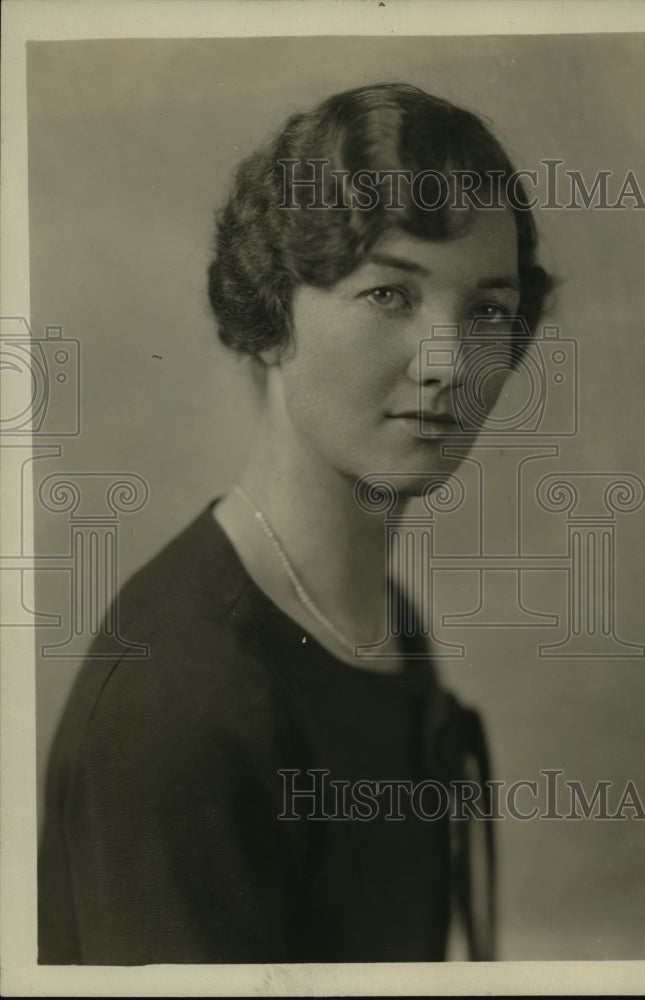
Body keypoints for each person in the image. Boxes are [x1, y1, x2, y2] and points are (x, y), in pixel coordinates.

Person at [37, 82, 551, 965]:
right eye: (391, 295)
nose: (450, 364)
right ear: (274, 314)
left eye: (488, 311)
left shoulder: (381, 624)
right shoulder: (187, 702)